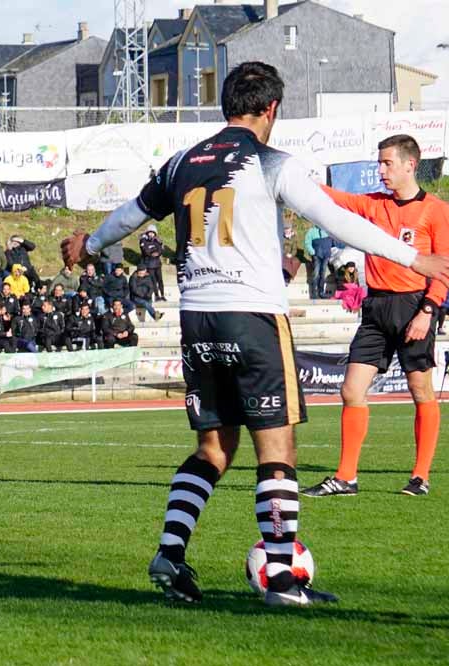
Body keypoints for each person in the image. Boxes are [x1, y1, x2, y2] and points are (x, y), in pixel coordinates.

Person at [61, 61, 449, 606]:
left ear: (226, 105)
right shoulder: (271, 163)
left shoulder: (181, 162)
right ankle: (285, 582)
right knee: (277, 450)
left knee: (214, 448)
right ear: (271, 109)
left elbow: (130, 215)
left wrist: (89, 245)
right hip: (254, 318)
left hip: (197, 319)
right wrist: (417, 258)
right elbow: (339, 222)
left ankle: (171, 553)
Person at [302, 134, 449, 499]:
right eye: (379, 163)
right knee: (351, 389)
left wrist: (428, 311)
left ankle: (419, 476)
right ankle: (346, 478)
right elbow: (335, 198)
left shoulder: (436, 210)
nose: (380, 170)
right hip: (376, 308)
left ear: (409, 165)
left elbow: (443, 268)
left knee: (420, 390)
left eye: (386, 163)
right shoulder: (373, 205)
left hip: (414, 305)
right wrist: (296, 182)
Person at [139, 224, 166, 301]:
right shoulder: (143, 240)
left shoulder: (157, 240)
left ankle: (162, 295)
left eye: (153, 232)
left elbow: (160, 249)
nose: (151, 234)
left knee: (160, 280)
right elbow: (145, 250)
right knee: (153, 280)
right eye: (150, 232)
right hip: (149, 264)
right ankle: (157, 296)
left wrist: (158, 253)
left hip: (157, 264)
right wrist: (152, 253)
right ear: (147, 233)